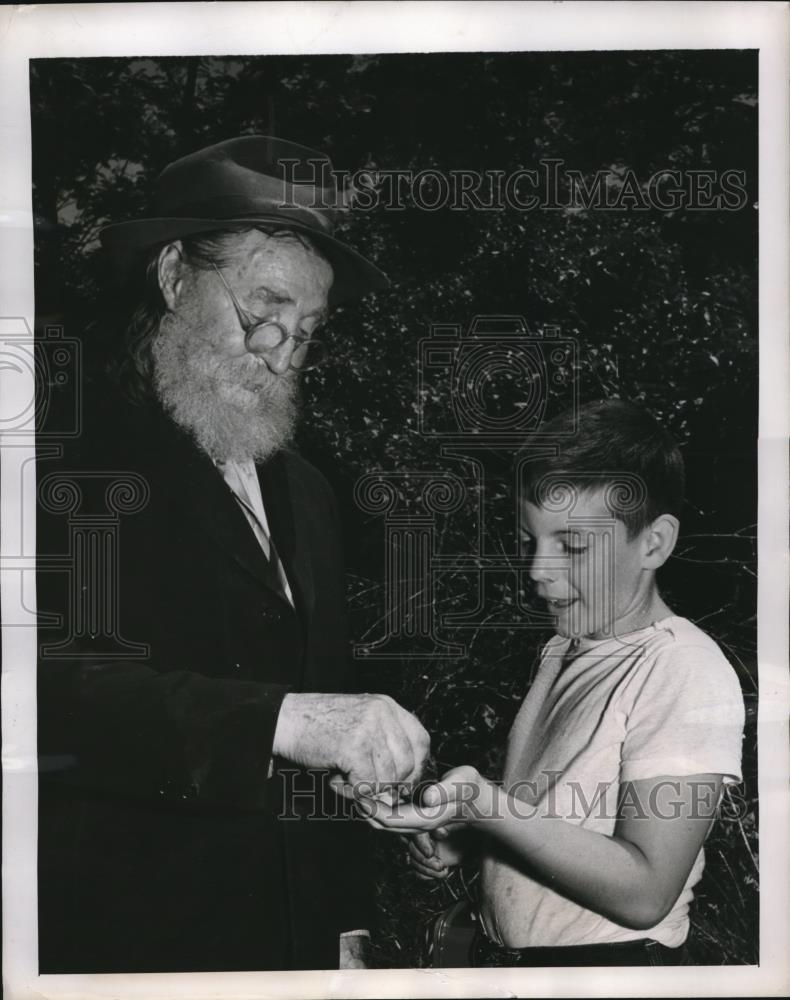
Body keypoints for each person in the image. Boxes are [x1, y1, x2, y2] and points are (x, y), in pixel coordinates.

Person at [36, 135, 429, 973]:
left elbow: (327, 709)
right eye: (261, 313)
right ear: (175, 274)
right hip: (118, 953)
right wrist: (280, 721)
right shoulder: (57, 446)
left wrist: (343, 923)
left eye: (308, 331)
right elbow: (38, 695)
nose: (283, 353)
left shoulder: (312, 493)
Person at [367, 399, 745, 966]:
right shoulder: (563, 649)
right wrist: (467, 838)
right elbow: (561, 817)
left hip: (613, 970)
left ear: (654, 543)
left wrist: (483, 805)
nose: (538, 569)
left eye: (572, 546)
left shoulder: (681, 667)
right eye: (530, 540)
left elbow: (645, 892)